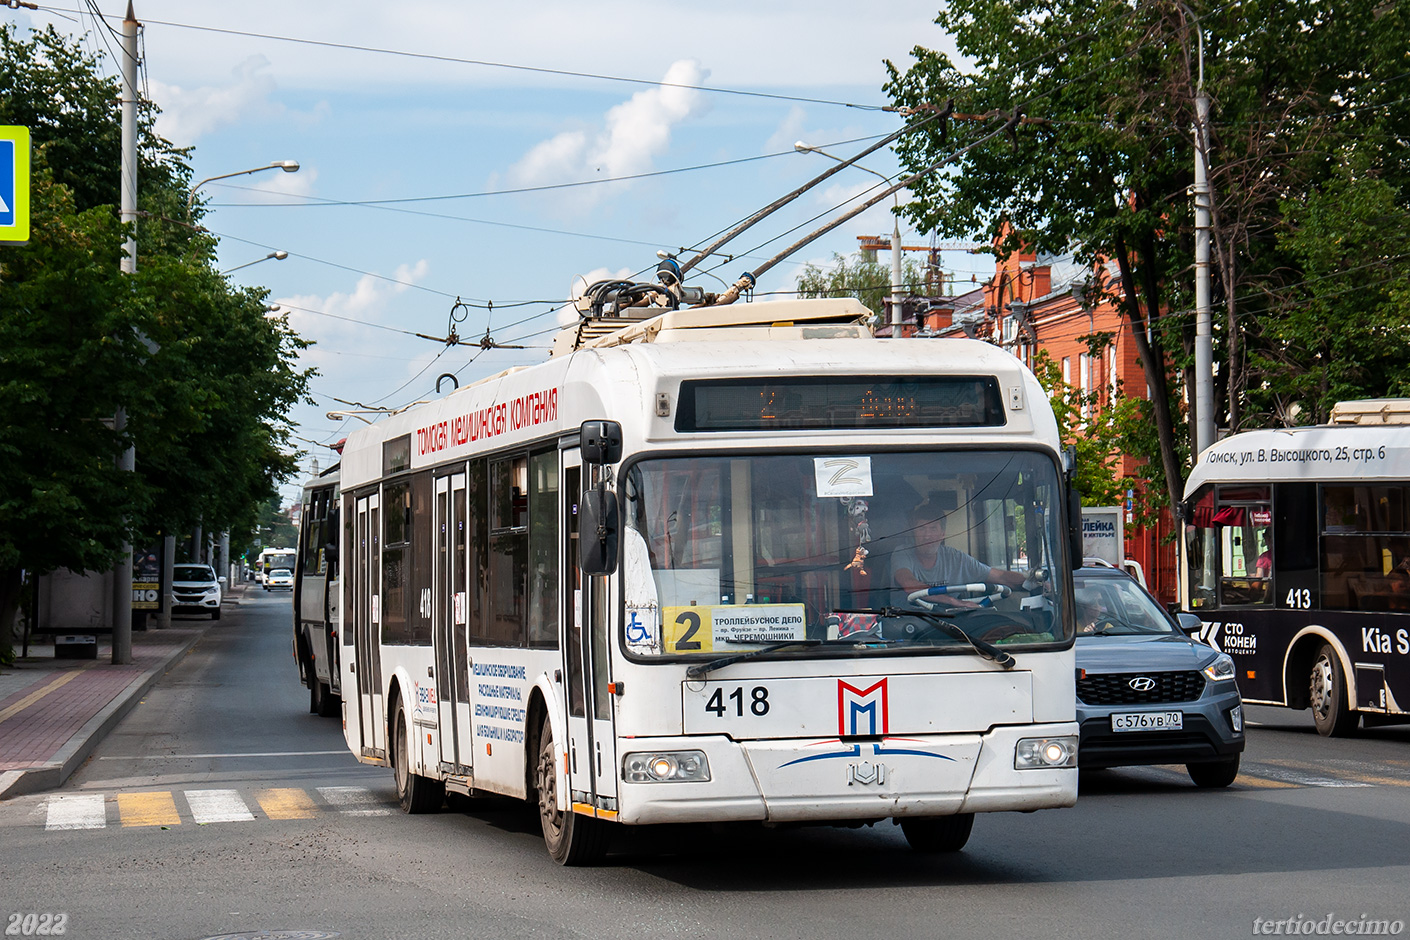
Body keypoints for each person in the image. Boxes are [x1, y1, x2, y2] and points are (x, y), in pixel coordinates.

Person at [893, 500, 1029, 607]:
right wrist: (955, 602)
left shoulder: (955, 558)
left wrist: (1032, 581)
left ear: (942, 534)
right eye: (921, 529)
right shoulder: (902, 553)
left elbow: (1001, 577)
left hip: (952, 624)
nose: (927, 536)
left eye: (933, 529)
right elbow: (909, 584)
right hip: (908, 626)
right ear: (914, 533)